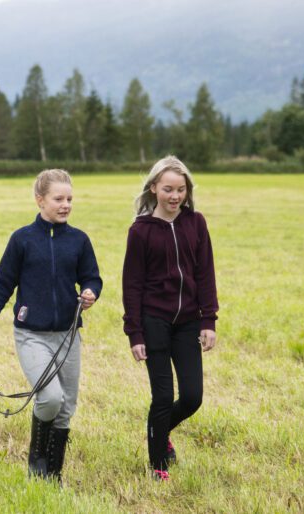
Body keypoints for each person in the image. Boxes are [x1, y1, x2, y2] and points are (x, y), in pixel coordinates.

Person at [0, 169, 102, 483]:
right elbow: (2, 285)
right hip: (31, 335)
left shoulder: (79, 240)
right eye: (58, 199)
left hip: (68, 336)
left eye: (69, 199)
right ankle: (36, 465)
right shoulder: (22, 239)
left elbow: (92, 277)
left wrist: (92, 291)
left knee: (66, 405)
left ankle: (54, 475)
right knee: (50, 398)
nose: (65, 204)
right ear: (40, 200)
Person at [121, 156, 218, 481]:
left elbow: (205, 272)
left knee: (192, 397)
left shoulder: (196, 223)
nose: (175, 196)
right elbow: (132, 284)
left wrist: (208, 320)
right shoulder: (140, 231)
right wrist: (135, 333)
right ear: (154, 189)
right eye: (168, 189)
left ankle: (158, 429)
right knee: (162, 397)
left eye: (181, 189)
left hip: (189, 321)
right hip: (154, 322)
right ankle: (158, 465)